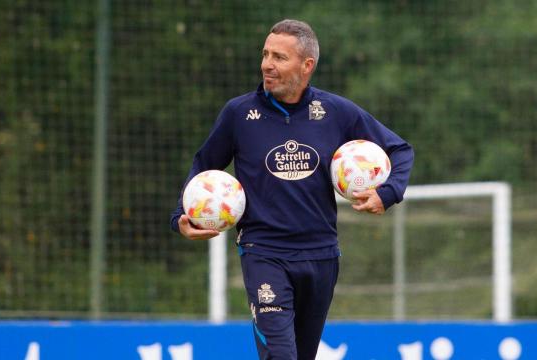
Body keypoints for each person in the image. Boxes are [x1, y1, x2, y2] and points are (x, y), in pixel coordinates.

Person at [170, 19, 414, 360]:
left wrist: (387, 194)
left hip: (322, 255)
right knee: (281, 355)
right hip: (264, 252)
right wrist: (181, 216)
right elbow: (203, 166)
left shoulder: (335, 112)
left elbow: (400, 150)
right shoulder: (238, 114)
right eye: (265, 54)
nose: (267, 64)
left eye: (280, 57)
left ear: (307, 65)